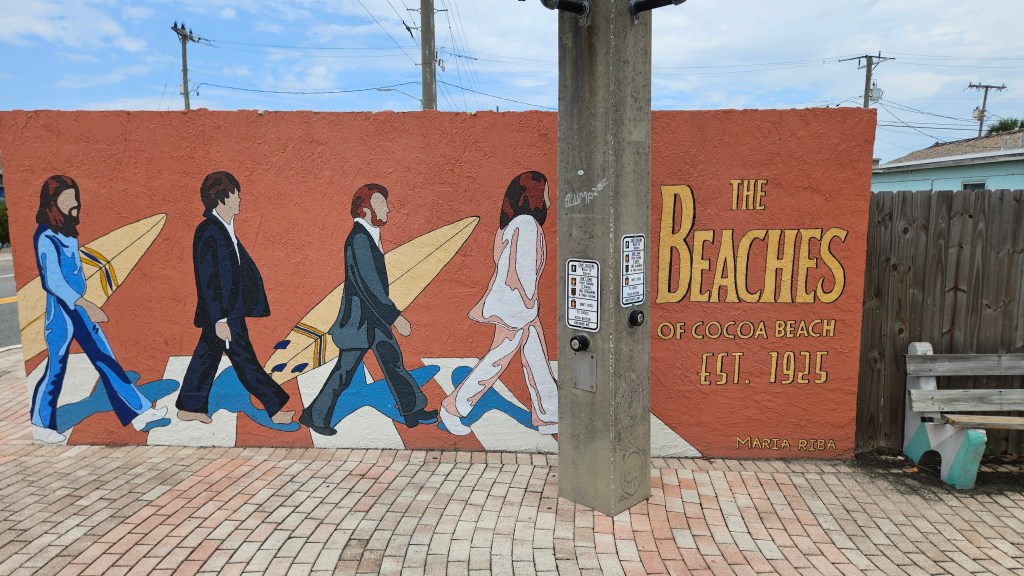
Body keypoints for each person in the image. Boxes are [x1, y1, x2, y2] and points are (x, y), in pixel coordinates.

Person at [29, 175, 166, 443]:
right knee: (56, 367)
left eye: (75, 197)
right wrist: (85, 304)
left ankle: (138, 413)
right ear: (53, 202)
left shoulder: (66, 232)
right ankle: (41, 424)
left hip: (78, 309)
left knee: (105, 358)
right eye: (68, 198)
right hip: (61, 312)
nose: (75, 203)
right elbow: (53, 281)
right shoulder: (46, 235)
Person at [299, 183, 438, 435]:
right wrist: (395, 317)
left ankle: (412, 410)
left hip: (372, 321)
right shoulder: (359, 239)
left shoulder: (368, 236)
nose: (389, 209)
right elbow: (370, 285)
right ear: (364, 210)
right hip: (360, 323)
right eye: (381, 203)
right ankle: (314, 416)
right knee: (344, 373)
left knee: (393, 364)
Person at [440, 171, 559, 436]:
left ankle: (550, 414)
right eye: (547, 192)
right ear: (534, 196)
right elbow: (520, 271)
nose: (550, 198)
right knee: (496, 361)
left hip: (517, 307)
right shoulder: (527, 224)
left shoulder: (512, 224)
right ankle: (453, 408)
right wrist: (529, 304)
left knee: (535, 357)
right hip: (517, 308)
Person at [176, 171, 293, 425]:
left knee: (207, 357)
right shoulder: (208, 230)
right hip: (223, 314)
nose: (240, 200)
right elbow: (207, 279)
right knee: (245, 362)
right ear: (222, 198)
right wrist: (219, 318)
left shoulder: (225, 229)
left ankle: (189, 407)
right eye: (236, 195)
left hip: (229, 311)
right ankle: (275, 408)